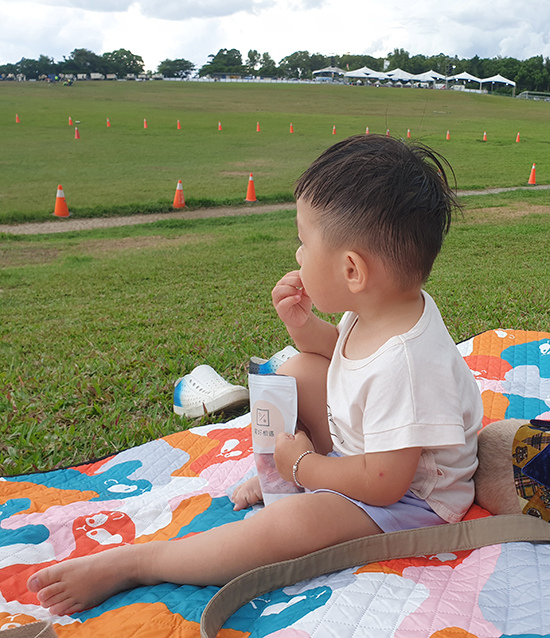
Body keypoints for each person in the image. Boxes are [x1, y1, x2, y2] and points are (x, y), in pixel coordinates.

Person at [26, 134, 484, 616]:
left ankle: (144, 562)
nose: (298, 257)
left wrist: (304, 467)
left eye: (304, 243)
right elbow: (342, 355)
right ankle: (277, 478)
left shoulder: (407, 364)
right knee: (298, 370)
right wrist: (302, 325)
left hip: (410, 501)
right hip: (369, 453)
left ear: (352, 271)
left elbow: (385, 482)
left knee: (294, 524)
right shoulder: (382, 307)